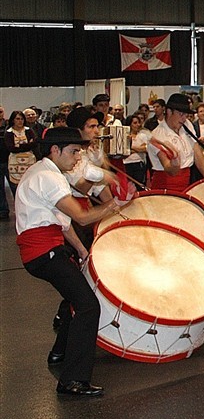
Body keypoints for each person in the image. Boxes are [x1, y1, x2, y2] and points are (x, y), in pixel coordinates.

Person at [15, 127, 134, 398]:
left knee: (75, 299)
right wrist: (114, 204)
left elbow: (63, 221)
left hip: (43, 250)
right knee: (87, 306)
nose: (77, 157)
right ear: (54, 150)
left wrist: (80, 249)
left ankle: (60, 353)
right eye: (72, 151)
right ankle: (73, 380)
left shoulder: (42, 172)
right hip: (44, 252)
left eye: (79, 151)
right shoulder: (49, 177)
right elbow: (81, 217)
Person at [146, 94, 204, 191]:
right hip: (165, 187)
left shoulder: (187, 125)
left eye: (186, 115)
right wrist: (175, 161)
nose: (184, 118)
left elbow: (197, 152)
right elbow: (170, 170)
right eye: (181, 114)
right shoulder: (158, 135)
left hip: (185, 183)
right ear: (169, 111)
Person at [4, 110, 37, 196]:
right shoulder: (9, 133)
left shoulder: (29, 131)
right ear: (13, 120)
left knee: (30, 186)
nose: (20, 121)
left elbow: (34, 144)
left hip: (29, 162)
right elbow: (11, 148)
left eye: (22, 119)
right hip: (15, 163)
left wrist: (19, 146)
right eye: (18, 119)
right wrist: (26, 145)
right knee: (17, 187)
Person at [122, 114, 149, 187]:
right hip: (127, 163)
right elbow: (124, 150)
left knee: (139, 185)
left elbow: (146, 149)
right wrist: (138, 149)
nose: (137, 125)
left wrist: (132, 147)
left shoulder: (142, 136)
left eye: (138, 123)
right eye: (135, 123)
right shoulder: (124, 136)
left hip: (138, 163)